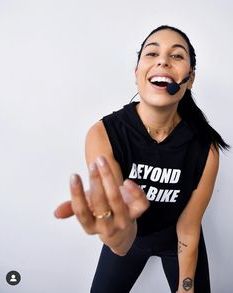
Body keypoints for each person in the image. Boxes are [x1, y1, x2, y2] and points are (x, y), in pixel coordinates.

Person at [54, 25, 229, 293]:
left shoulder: (206, 149)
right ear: (137, 72)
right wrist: (113, 230)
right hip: (129, 239)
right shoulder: (104, 134)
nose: (162, 60)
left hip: (178, 242)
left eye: (177, 56)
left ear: (189, 79)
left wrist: (186, 287)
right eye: (151, 53)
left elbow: (189, 228)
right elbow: (121, 241)